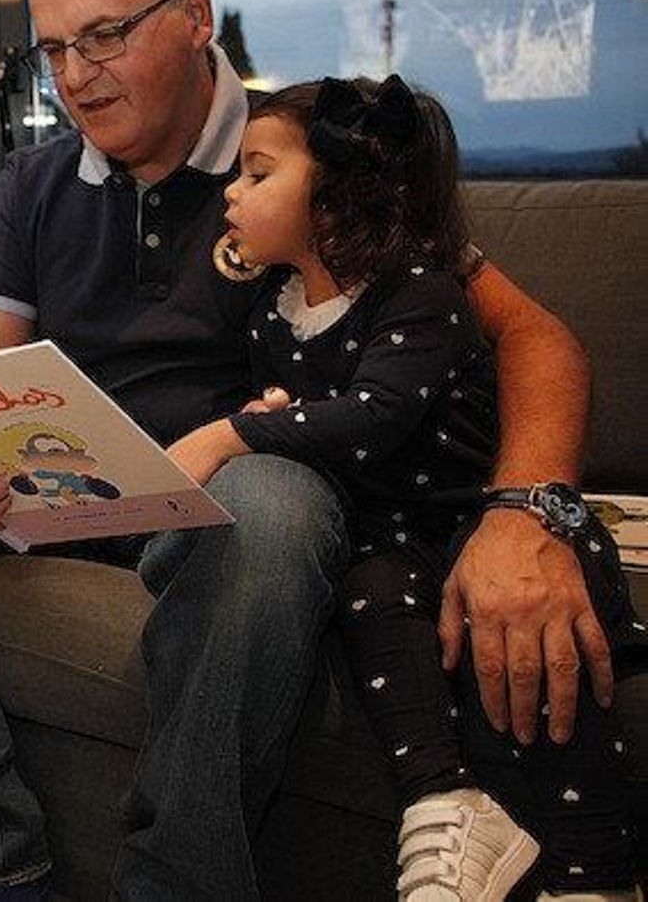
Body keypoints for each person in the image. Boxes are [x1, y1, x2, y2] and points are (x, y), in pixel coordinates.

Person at [0, 0, 603, 900]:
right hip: (58, 485)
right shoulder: (31, 183)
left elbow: (532, 335)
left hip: (217, 508)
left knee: (276, 498)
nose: (75, 75)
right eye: (52, 49)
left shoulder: (310, 157)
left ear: (194, 14)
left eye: (103, 35)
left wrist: (526, 512)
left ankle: (175, 881)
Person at [168, 74, 644, 900]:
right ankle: (445, 800)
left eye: (256, 172)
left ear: (337, 197)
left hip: (461, 515)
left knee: (520, 622)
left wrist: (233, 431)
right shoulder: (274, 309)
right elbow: (324, 410)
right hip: (380, 538)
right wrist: (275, 411)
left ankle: (592, 868)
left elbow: (379, 409)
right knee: (372, 594)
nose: (232, 194)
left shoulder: (418, 286)